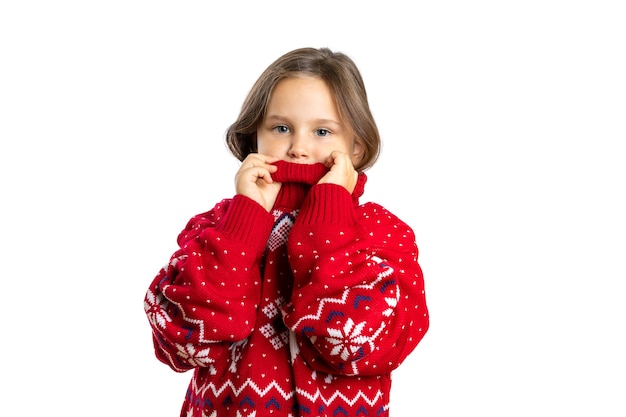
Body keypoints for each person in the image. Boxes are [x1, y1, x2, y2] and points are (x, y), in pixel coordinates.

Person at [143, 46, 429, 417]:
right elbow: (179, 343)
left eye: (323, 131)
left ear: (356, 148)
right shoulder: (215, 227)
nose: (298, 148)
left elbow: (359, 345)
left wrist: (330, 217)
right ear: (254, 137)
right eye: (281, 128)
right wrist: (243, 227)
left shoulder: (381, 234)